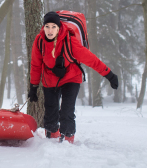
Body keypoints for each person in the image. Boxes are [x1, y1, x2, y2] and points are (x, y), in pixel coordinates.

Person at [28, 11, 118, 143]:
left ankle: (67, 141)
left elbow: (91, 60)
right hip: (50, 79)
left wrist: (109, 75)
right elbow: (36, 65)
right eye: (47, 26)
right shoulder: (39, 41)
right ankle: (51, 140)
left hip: (71, 78)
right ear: (43, 27)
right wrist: (33, 86)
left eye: (54, 26)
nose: (50, 30)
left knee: (67, 112)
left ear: (59, 27)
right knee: (50, 113)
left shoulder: (70, 41)